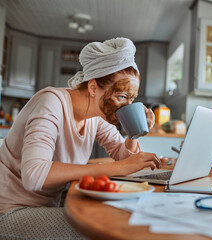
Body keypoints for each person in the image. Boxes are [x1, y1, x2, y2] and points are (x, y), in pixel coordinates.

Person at [0, 37, 161, 239]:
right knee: (101, 228)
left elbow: (122, 156)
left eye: (132, 99)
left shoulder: (96, 115)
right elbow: (34, 175)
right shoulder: (51, 103)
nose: (127, 105)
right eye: (121, 96)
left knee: (122, 215)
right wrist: (118, 168)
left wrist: (133, 132)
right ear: (93, 88)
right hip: (10, 210)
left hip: (50, 205)